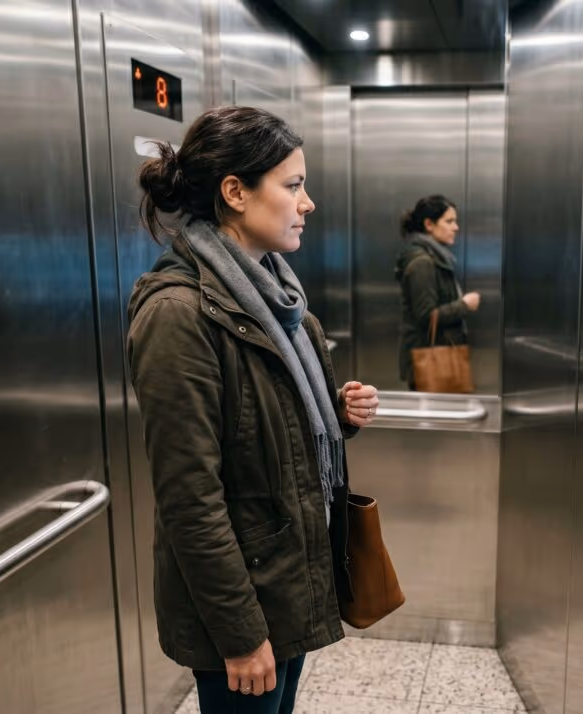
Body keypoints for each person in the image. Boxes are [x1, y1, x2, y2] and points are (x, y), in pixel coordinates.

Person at [126, 106, 380, 714]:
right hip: (242, 600)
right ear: (235, 192)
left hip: (286, 575)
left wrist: (336, 415)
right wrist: (240, 634)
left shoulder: (281, 301)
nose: (307, 202)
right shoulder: (178, 315)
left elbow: (262, 428)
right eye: (293, 185)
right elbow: (189, 498)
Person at [394, 195, 480, 390]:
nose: (456, 227)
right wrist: (464, 305)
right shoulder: (422, 263)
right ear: (429, 224)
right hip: (429, 359)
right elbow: (426, 316)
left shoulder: (435, 257)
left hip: (439, 351)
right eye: (449, 221)